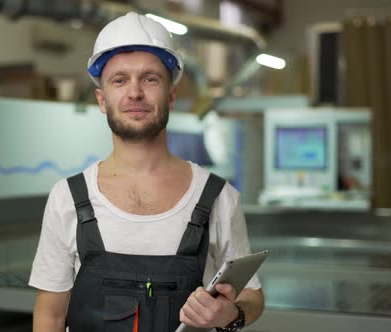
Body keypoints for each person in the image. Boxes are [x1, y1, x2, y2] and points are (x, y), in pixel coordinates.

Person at [29, 12, 264, 332]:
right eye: (119, 80)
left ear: (171, 94)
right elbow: (50, 316)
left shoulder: (218, 197)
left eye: (150, 78)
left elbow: (252, 296)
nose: (135, 93)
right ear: (102, 99)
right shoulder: (67, 198)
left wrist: (231, 315)